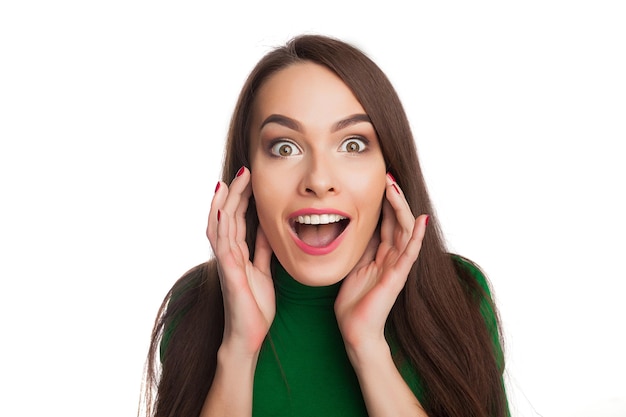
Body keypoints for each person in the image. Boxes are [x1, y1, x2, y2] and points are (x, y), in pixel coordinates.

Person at [142, 34, 509, 417]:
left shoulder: (459, 294)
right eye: (285, 147)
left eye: (352, 144)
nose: (318, 180)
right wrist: (238, 347)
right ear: (245, 175)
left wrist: (368, 348)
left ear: (390, 169)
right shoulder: (194, 305)